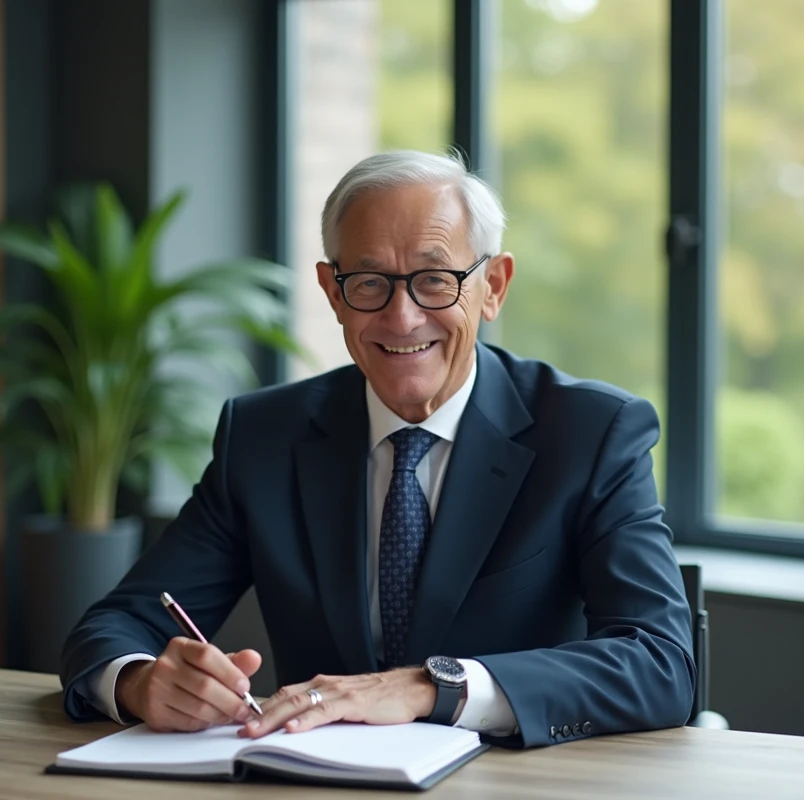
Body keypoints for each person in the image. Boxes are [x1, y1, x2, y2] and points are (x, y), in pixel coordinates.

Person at [59, 149, 695, 749]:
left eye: (434, 279)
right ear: (333, 291)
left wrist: (432, 685)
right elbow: (114, 626)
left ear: (493, 286)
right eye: (368, 282)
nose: (401, 316)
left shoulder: (591, 433)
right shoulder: (264, 437)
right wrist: (141, 681)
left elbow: (661, 663)